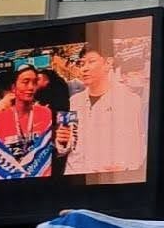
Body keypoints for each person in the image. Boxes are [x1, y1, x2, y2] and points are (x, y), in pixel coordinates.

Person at [60, 44, 145, 184]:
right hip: (75, 177)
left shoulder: (129, 100)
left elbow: (138, 144)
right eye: (82, 64)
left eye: (91, 62)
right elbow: (67, 146)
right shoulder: (73, 101)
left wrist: (126, 168)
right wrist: (62, 141)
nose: (84, 68)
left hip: (108, 181)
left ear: (108, 63)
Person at [0, 65, 54, 182]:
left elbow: (50, 152)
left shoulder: (45, 113)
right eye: (25, 82)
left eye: (34, 82)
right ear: (13, 87)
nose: (31, 87)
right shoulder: (1, 114)